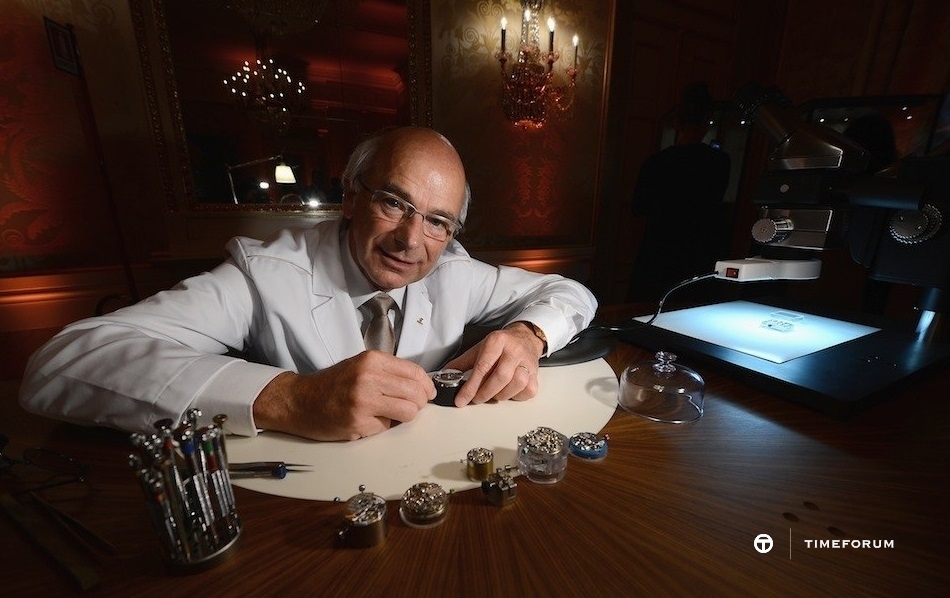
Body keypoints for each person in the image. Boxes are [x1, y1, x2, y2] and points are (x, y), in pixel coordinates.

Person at [19, 127, 597, 442]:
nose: (412, 241)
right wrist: (290, 398)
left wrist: (526, 335)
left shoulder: (455, 271)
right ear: (350, 196)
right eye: (395, 203)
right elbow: (61, 363)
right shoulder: (263, 275)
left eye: (439, 221)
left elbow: (572, 294)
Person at [626, 82, 731, 303]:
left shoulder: (657, 162)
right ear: (706, 123)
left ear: (676, 122)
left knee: (650, 308)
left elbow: (638, 207)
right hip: (701, 251)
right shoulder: (719, 162)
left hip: (660, 250)